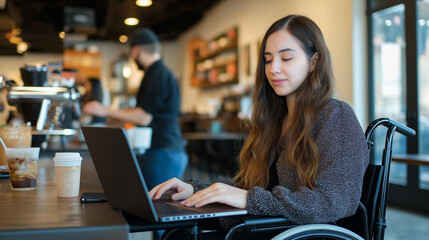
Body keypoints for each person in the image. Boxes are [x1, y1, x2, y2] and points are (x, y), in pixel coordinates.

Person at [149, 14, 370, 239]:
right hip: (272, 229)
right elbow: (253, 189)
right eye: (268, 59)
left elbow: (334, 202)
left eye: (286, 58)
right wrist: (194, 190)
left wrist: (247, 199)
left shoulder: (336, 115)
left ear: (314, 62)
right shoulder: (275, 121)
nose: (273, 68)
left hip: (305, 235)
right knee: (177, 233)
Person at [83, 28, 188, 191]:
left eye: (132, 54)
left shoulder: (157, 74)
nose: (132, 58)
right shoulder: (156, 73)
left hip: (163, 152)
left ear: (137, 50)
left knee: (155, 208)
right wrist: (117, 119)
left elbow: (144, 116)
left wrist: (104, 110)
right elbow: (144, 111)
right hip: (164, 150)